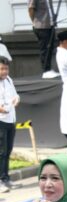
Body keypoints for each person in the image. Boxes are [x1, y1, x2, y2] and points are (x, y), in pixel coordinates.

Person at [0, 56, 20, 193]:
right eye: (1, 69)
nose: (4, 71)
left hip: (11, 119)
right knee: (1, 151)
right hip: (1, 120)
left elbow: (15, 95)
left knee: (7, 151)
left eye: (6, 68)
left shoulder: (9, 80)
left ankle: (5, 178)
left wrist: (17, 100)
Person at [28, 0, 59, 78]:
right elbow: (31, 9)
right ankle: (45, 70)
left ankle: (49, 68)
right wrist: (35, 22)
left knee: (50, 47)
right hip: (41, 26)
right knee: (44, 48)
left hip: (50, 24)